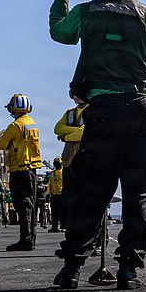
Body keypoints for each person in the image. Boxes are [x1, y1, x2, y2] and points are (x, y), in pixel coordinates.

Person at [49, 0, 146, 289]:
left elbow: (60, 32)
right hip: (145, 111)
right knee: (141, 193)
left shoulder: (86, 12)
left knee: (91, 191)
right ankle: (129, 270)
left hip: (104, 112)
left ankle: (71, 269)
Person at [0, 94, 43, 251]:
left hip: (19, 169)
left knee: (22, 206)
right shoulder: (32, 123)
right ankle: (31, 238)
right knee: (30, 205)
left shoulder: (15, 126)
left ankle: (26, 240)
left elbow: (1, 144)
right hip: (32, 170)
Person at [53, 94, 88, 230]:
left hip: (84, 159)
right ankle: (69, 225)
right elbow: (57, 129)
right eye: (73, 94)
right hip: (68, 160)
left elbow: (85, 132)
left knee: (83, 196)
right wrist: (76, 132)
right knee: (68, 196)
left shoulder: (92, 110)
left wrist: (66, 136)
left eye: (79, 94)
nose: (76, 97)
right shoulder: (69, 113)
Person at [45, 157, 64, 232]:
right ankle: (54, 227)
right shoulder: (51, 173)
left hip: (62, 194)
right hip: (54, 195)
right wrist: (49, 194)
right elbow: (49, 184)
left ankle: (63, 226)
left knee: (62, 212)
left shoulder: (64, 172)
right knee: (54, 212)